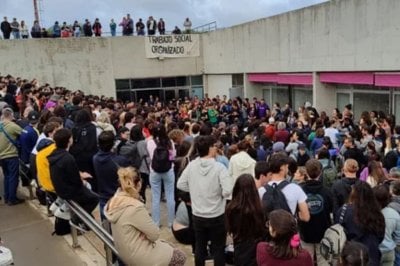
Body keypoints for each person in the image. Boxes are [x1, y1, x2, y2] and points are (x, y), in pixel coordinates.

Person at [105, 167, 186, 266]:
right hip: (139, 255)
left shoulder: (114, 202)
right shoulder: (135, 207)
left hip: (124, 252)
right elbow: (155, 234)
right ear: (138, 184)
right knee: (180, 256)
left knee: (169, 248)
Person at [177, 135, 233, 266]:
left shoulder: (192, 166)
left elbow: (180, 184)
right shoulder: (220, 168)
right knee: (218, 248)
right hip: (217, 215)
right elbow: (227, 191)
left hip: (198, 214)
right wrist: (218, 194)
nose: (215, 149)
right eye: (214, 146)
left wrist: (195, 191)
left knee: (200, 247)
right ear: (209, 149)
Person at [48, 128, 99, 230]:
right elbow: (75, 181)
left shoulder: (54, 153)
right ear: (69, 140)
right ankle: (77, 219)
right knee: (94, 198)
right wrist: (83, 182)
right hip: (68, 191)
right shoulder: (68, 158)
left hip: (59, 187)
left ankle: (61, 205)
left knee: (88, 190)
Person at [336, 182, 385, 266]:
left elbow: (338, 232)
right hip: (373, 254)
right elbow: (381, 235)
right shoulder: (377, 212)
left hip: (352, 255)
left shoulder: (344, 211)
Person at [226, 174, 266, 266]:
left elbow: (231, 228)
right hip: (256, 249)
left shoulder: (231, 209)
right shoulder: (259, 208)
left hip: (239, 248)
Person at [299, 159, 333, 266]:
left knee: (306, 262)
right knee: (324, 262)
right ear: (321, 172)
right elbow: (332, 211)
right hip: (323, 233)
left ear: (306, 172)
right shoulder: (327, 191)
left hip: (305, 232)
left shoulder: (300, 190)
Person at [261, 152, 310, 222]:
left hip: (270, 230)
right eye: (287, 167)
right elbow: (306, 217)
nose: (287, 169)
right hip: (289, 230)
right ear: (282, 168)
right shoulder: (295, 189)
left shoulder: (260, 191)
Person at [93, 131, 130, 220]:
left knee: (105, 222)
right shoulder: (120, 160)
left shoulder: (95, 158)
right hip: (118, 195)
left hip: (103, 195)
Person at [147, 124, 176, 228]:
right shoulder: (170, 142)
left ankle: (156, 222)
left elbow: (150, 156)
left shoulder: (150, 142)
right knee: (170, 195)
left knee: (155, 197)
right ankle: (171, 222)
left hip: (154, 171)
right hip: (168, 170)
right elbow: (173, 156)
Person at [0, 108, 23, 205]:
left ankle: (6, 196)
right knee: (13, 177)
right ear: (10, 115)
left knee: (7, 176)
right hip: (11, 155)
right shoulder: (13, 126)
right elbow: (23, 133)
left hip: (1, 156)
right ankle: (12, 199)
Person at [373, 185, 400, 266]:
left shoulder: (366, 214)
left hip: (372, 250)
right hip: (388, 250)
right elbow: (398, 237)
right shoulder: (394, 214)